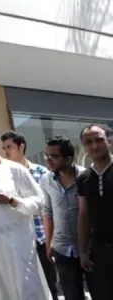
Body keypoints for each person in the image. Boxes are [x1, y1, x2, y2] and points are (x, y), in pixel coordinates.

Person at [0, 127, 50, 299]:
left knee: (25, 289)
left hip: (16, 242)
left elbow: (38, 202)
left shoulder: (15, 170)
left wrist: (12, 201)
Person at [0, 131, 59, 300]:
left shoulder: (42, 173)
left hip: (42, 238)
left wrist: (52, 239)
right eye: (4, 148)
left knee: (50, 285)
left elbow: (52, 207)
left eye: (9, 147)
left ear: (21, 146)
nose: (6, 152)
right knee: (24, 289)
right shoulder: (3, 177)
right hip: (18, 240)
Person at [40, 136, 87, 300]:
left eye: (54, 156)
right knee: (72, 295)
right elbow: (47, 212)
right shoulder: (46, 180)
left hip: (88, 248)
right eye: (47, 156)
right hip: (62, 249)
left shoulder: (86, 177)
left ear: (68, 158)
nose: (48, 160)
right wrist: (49, 243)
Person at [76, 124, 113, 300]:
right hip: (99, 252)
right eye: (88, 142)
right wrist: (82, 251)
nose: (94, 145)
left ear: (110, 142)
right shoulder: (84, 178)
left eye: (99, 140)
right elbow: (83, 215)